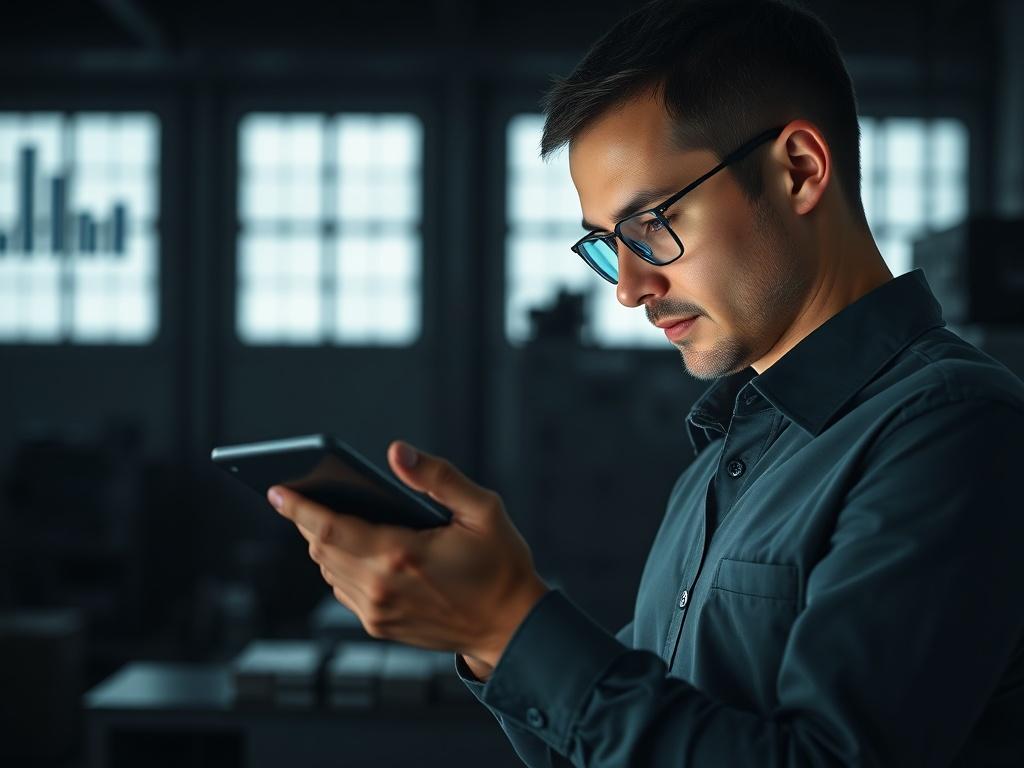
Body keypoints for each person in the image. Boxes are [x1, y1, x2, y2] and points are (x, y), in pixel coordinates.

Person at [267, 0, 1024, 763]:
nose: (627, 288)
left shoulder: (954, 432)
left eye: (651, 225)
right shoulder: (720, 461)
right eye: (605, 245)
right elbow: (623, 739)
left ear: (798, 170)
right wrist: (488, 638)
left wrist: (509, 621)